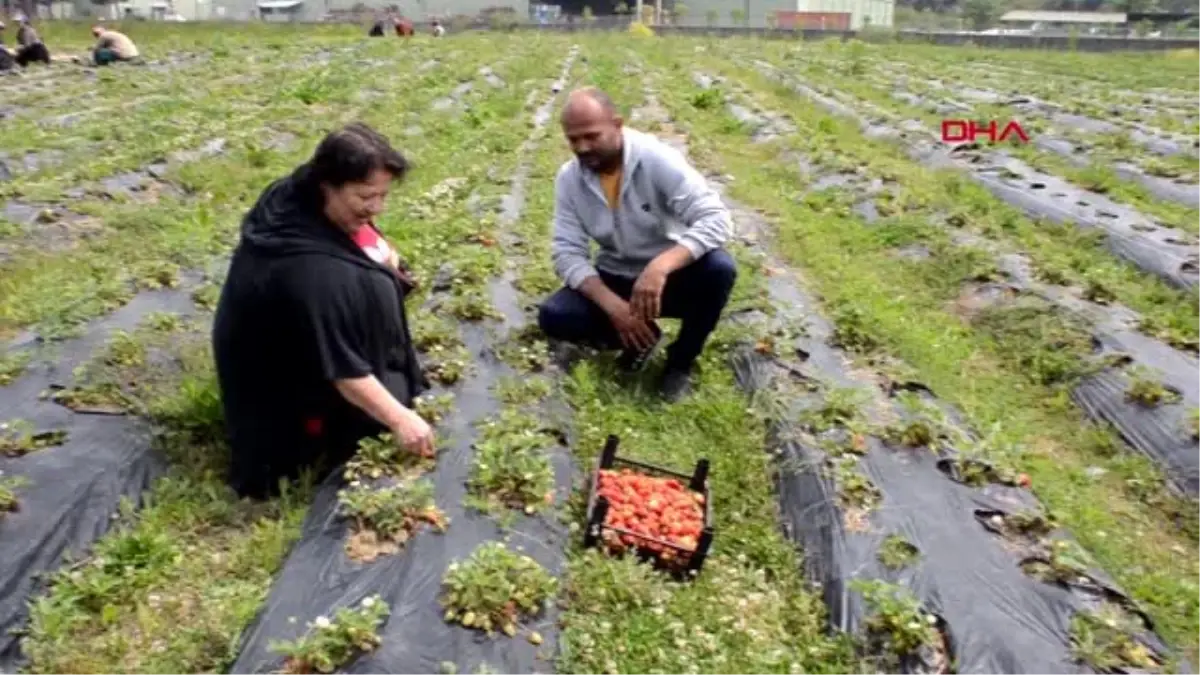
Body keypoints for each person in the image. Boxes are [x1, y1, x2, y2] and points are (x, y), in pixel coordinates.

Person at [212, 122, 433, 499]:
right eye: (366, 197)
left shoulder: (296, 196)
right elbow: (346, 373)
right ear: (328, 185)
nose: (376, 207)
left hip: (277, 347)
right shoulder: (312, 274)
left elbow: (367, 239)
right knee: (393, 394)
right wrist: (401, 420)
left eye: (382, 195)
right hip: (279, 397)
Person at [537, 87, 737, 402]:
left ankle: (680, 363)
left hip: (667, 280)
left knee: (719, 269)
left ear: (617, 124)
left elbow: (716, 219)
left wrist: (661, 266)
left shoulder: (656, 160)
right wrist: (613, 306)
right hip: (616, 276)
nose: (582, 147)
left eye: (591, 136)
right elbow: (566, 253)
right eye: (573, 139)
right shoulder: (570, 179)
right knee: (555, 316)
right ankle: (640, 336)